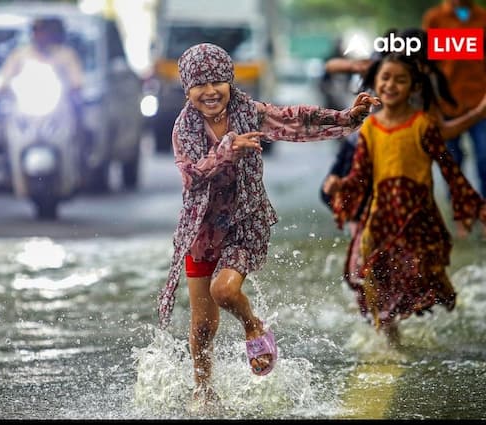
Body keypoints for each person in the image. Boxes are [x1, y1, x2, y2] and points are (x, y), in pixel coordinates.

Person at [156, 43, 379, 404]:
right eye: (200, 84)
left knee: (224, 291)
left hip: (247, 221)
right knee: (202, 326)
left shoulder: (250, 112)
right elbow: (193, 177)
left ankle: (252, 326)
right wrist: (227, 150)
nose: (210, 91)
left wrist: (348, 118)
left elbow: (296, 119)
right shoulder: (183, 130)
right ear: (187, 91)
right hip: (202, 230)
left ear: (231, 81)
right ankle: (204, 390)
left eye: (218, 82)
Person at [323, 52, 486, 348]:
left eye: (400, 80)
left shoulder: (423, 125)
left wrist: (476, 205)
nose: (391, 85)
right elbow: (361, 176)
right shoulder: (370, 130)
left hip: (418, 219)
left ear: (414, 87)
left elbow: (450, 170)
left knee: (416, 276)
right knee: (374, 275)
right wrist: (340, 184)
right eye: (385, 78)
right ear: (376, 83)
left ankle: (400, 323)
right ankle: (391, 342)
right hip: (380, 219)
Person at [422, 0, 486, 222]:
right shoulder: (435, 18)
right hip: (447, 105)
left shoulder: (482, 16)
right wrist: (430, 105)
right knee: (452, 161)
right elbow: (428, 65)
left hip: (480, 101)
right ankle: (460, 212)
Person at [0, 16, 84, 99]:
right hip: (26, 100)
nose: (40, 34)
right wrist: (5, 87)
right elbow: (7, 75)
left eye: (44, 30)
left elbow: (76, 79)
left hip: (59, 103)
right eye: (36, 30)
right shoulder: (20, 54)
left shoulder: (66, 55)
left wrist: (75, 87)